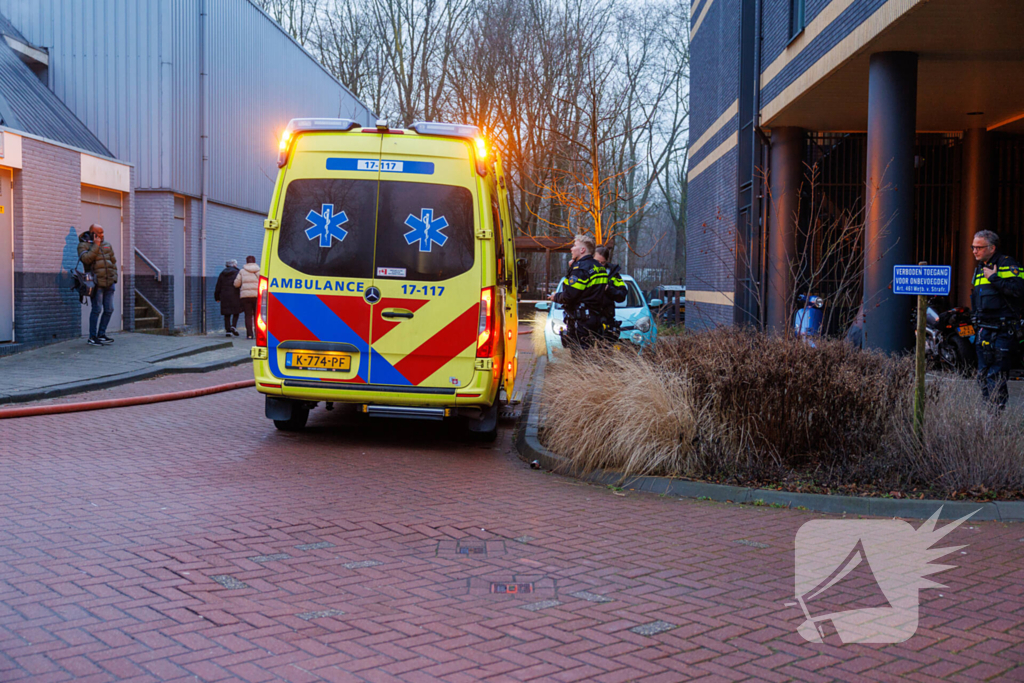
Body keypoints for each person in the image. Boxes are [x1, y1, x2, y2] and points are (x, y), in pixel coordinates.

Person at [970, 230, 1024, 408]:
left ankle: (995, 418)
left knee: (996, 375)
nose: (974, 251)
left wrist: (994, 278)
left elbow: (1018, 290)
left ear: (992, 248)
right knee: (983, 375)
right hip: (983, 329)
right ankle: (988, 415)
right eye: (973, 247)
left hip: (1002, 329)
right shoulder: (980, 267)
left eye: (979, 247)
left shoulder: (1006, 263)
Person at [551, 234, 609, 352]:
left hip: (581, 321)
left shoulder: (580, 269)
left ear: (582, 250)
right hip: (595, 319)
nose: (571, 249)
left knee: (579, 356)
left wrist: (555, 297)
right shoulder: (600, 268)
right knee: (590, 353)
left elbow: (569, 295)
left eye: (574, 246)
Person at [77, 224, 117, 346]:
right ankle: (92, 337)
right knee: (97, 309)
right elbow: (86, 259)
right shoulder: (83, 245)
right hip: (96, 283)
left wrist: (114, 277)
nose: (102, 235)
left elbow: (113, 262)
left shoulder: (107, 245)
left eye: (103, 232)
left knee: (109, 309)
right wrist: (96, 245)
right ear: (92, 233)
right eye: (99, 233)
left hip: (109, 282)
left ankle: (101, 334)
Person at [594, 245, 628, 343]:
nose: (600, 265)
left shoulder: (613, 275)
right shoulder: (585, 272)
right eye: (597, 262)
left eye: (602, 263)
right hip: (589, 319)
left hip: (606, 318)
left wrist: (608, 289)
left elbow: (622, 295)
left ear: (607, 261)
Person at [235, 255, 261, 339]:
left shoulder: (242, 271)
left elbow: (236, 284)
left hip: (245, 297)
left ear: (246, 262)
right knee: (257, 315)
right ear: (254, 261)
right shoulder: (259, 271)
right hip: (257, 296)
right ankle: (258, 333)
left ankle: (249, 334)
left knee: (248, 316)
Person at [214, 259, 243, 337]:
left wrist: (217, 297)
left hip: (224, 295)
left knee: (227, 314)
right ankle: (233, 326)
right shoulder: (238, 272)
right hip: (235, 295)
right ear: (234, 265)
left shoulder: (222, 273)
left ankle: (228, 331)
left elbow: (218, 286)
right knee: (236, 312)